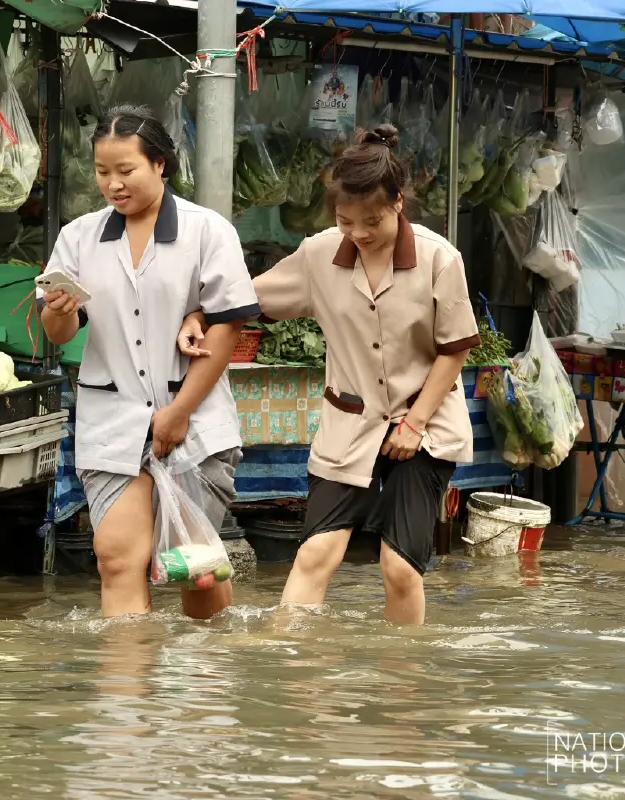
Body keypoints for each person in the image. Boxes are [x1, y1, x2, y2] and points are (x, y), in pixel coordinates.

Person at [178, 124, 479, 625]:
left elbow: (453, 351)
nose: (358, 234)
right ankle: (297, 672)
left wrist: (414, 424)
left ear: (398, 203)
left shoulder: (438, 259)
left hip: (423, 426)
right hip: (350, 423)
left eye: (372, 221)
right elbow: (250, 297)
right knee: (316, 554)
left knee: (399, 569)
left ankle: (402, 686)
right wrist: (200, 316)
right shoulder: (319, 254)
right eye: (345, 221)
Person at [39, 104, 260, 620]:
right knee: (116, 559)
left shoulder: (208, 231)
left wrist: (180, 410)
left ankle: (201, 686)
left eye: (126, 171)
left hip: (195, 419)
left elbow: (229, 325)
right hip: (113, 419)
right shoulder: (78, 238)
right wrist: (58, 310)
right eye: (102, 172)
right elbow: (60, 333)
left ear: (160, 164)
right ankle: (126, 694)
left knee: (193, 567)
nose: (113, 184)